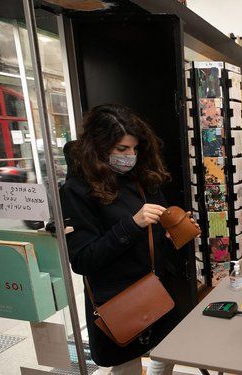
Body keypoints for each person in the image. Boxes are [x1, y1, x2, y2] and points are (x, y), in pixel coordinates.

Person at [60, 104, 197, 375]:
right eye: (122, 149)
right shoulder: (77, 190)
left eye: (134, 149)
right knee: (126, 367)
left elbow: (153, 237)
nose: (130, 156)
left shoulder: (142, 176)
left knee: (166, 351)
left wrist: (174, 233)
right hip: (119, 299)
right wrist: (133, 224)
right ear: (98, 146)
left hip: (157, 288)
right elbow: (83, 260)